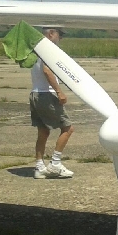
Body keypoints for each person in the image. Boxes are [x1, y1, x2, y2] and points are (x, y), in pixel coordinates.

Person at [31, 27, 75, 179]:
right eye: (59, 34)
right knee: (68, 129)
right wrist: (59, 91)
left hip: (35, 93)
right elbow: (47, 71)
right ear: (51, 34)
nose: (60, 38)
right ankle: (55, 163)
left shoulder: (36, 49)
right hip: (46, 95)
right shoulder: (47, 50)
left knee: (43, 132)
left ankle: (39, 167)